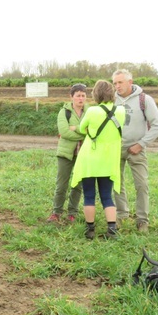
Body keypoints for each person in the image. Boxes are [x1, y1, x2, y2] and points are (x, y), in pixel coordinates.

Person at [71, 80, 126, 240]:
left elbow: (82, 128)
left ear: (96, 94)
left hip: (90, 159)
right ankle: (111, 228)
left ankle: (90, 230)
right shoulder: (121, 111)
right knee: (107, 196)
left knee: (89, 195)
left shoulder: (92, 111)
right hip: (108, 161)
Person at [113, 69, 158, 233]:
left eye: (120, 82)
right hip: (115, 148)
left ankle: (142, 220)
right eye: (114, 83)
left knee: (141, 184)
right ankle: (121, 215)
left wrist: (141, 144)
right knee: (116, 184)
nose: (117, 86)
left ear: (130, 81)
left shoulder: (144, 99)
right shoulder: (111, 99)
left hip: (137, 149)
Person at [47, 83, 89, 224]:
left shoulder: (90, 112)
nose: (81, 98)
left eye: (83, 95)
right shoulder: (64, 112)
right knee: (62, 185)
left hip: (82, 154)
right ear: (71, 97)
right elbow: (64, 132)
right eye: (78, 95)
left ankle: (72, 213)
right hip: (65, 154)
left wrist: (74, 128)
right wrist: (83, 132)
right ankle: (56, 212)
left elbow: (93, 131)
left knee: (77, 185)